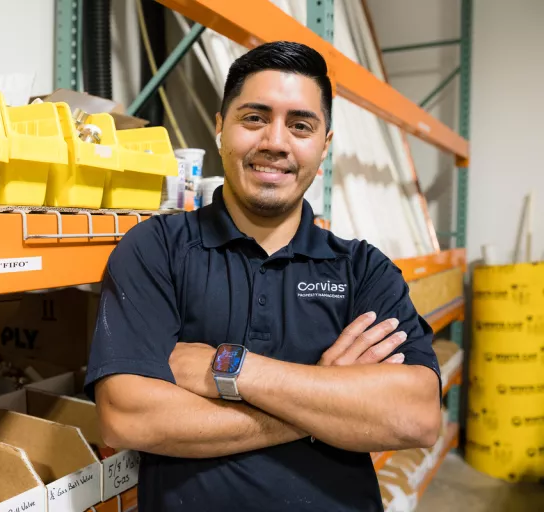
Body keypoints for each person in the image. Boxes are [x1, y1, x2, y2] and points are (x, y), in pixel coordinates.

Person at [84, 41, 442, 511]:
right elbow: (127, 417)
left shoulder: (362, 269)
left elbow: (416, 417)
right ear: (220, 128)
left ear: (325, 145)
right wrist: (323, 399)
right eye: (254, 118)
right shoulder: (158, 249)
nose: (275, 142)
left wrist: (233, 369)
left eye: (300, 125)